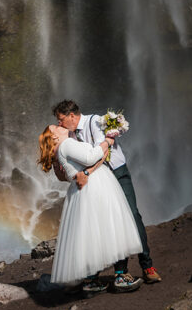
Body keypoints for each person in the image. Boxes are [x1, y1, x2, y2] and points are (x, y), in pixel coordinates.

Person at [52, 99, 161, 292]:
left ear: (71, 115)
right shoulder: (68, 136)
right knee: (103, 223)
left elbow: (100, 154)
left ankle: (147, 265)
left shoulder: (95, 122)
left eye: (61, 119)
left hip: (116, 174)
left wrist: (84, 173)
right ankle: (111, 273)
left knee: (132, 216)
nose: (59, 123)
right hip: (97, 181)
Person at [38, 123, 142, 288]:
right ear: (55, 137)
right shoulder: (66, 144)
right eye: (55, 127)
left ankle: (91, 280)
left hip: (81, 191)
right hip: (96, 186)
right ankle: (120, 277)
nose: (60, 125)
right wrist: (108, 141)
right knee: (112, 225)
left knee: (92, 234)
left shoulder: (61, 149)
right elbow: (90, 157)